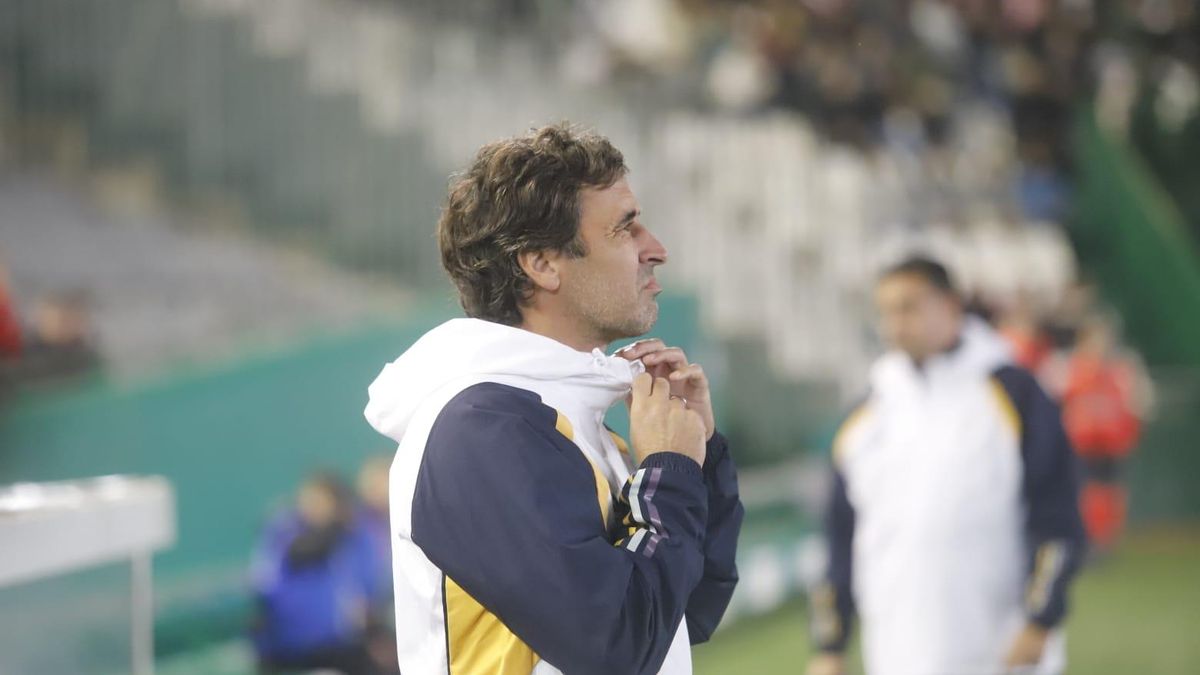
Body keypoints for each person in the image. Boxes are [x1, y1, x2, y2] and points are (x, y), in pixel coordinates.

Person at [364, 123, 743, 675]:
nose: (655, 250)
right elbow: (615, 645)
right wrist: (669, 471)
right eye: (625, 229)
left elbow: (690, 609)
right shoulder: (478, 429)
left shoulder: (563, 416)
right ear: (541, 264)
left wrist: (697, 458)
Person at [806, 257, 1086, 675]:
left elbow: (1056, 514)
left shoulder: (1014, 395)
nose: (896, 322)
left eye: (910, 306)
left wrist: (1039, 618)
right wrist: (830, 643)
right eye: (886, 310)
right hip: (897, 652)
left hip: (1001, 649)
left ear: (952, 306)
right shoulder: (865, 416)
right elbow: (838, 538)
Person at [250, 472, 394, 675]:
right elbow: (304, 549)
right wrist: (339, 524)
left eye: (320, 501)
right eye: (308, 499)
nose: (311, 506)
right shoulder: (286, 530)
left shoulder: (352, 542)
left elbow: (365, 601)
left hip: (342, 647)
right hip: (291, 653)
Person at [1059, 315, 1148, 553]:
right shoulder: (1070, 367)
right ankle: (1084, 541)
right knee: (1084, 495)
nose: (1100, 345)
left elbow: (1137, 403)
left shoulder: (1121, 370)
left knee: (1110, 494)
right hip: (1081, 444)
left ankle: (1104, 543)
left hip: (1111, 444)